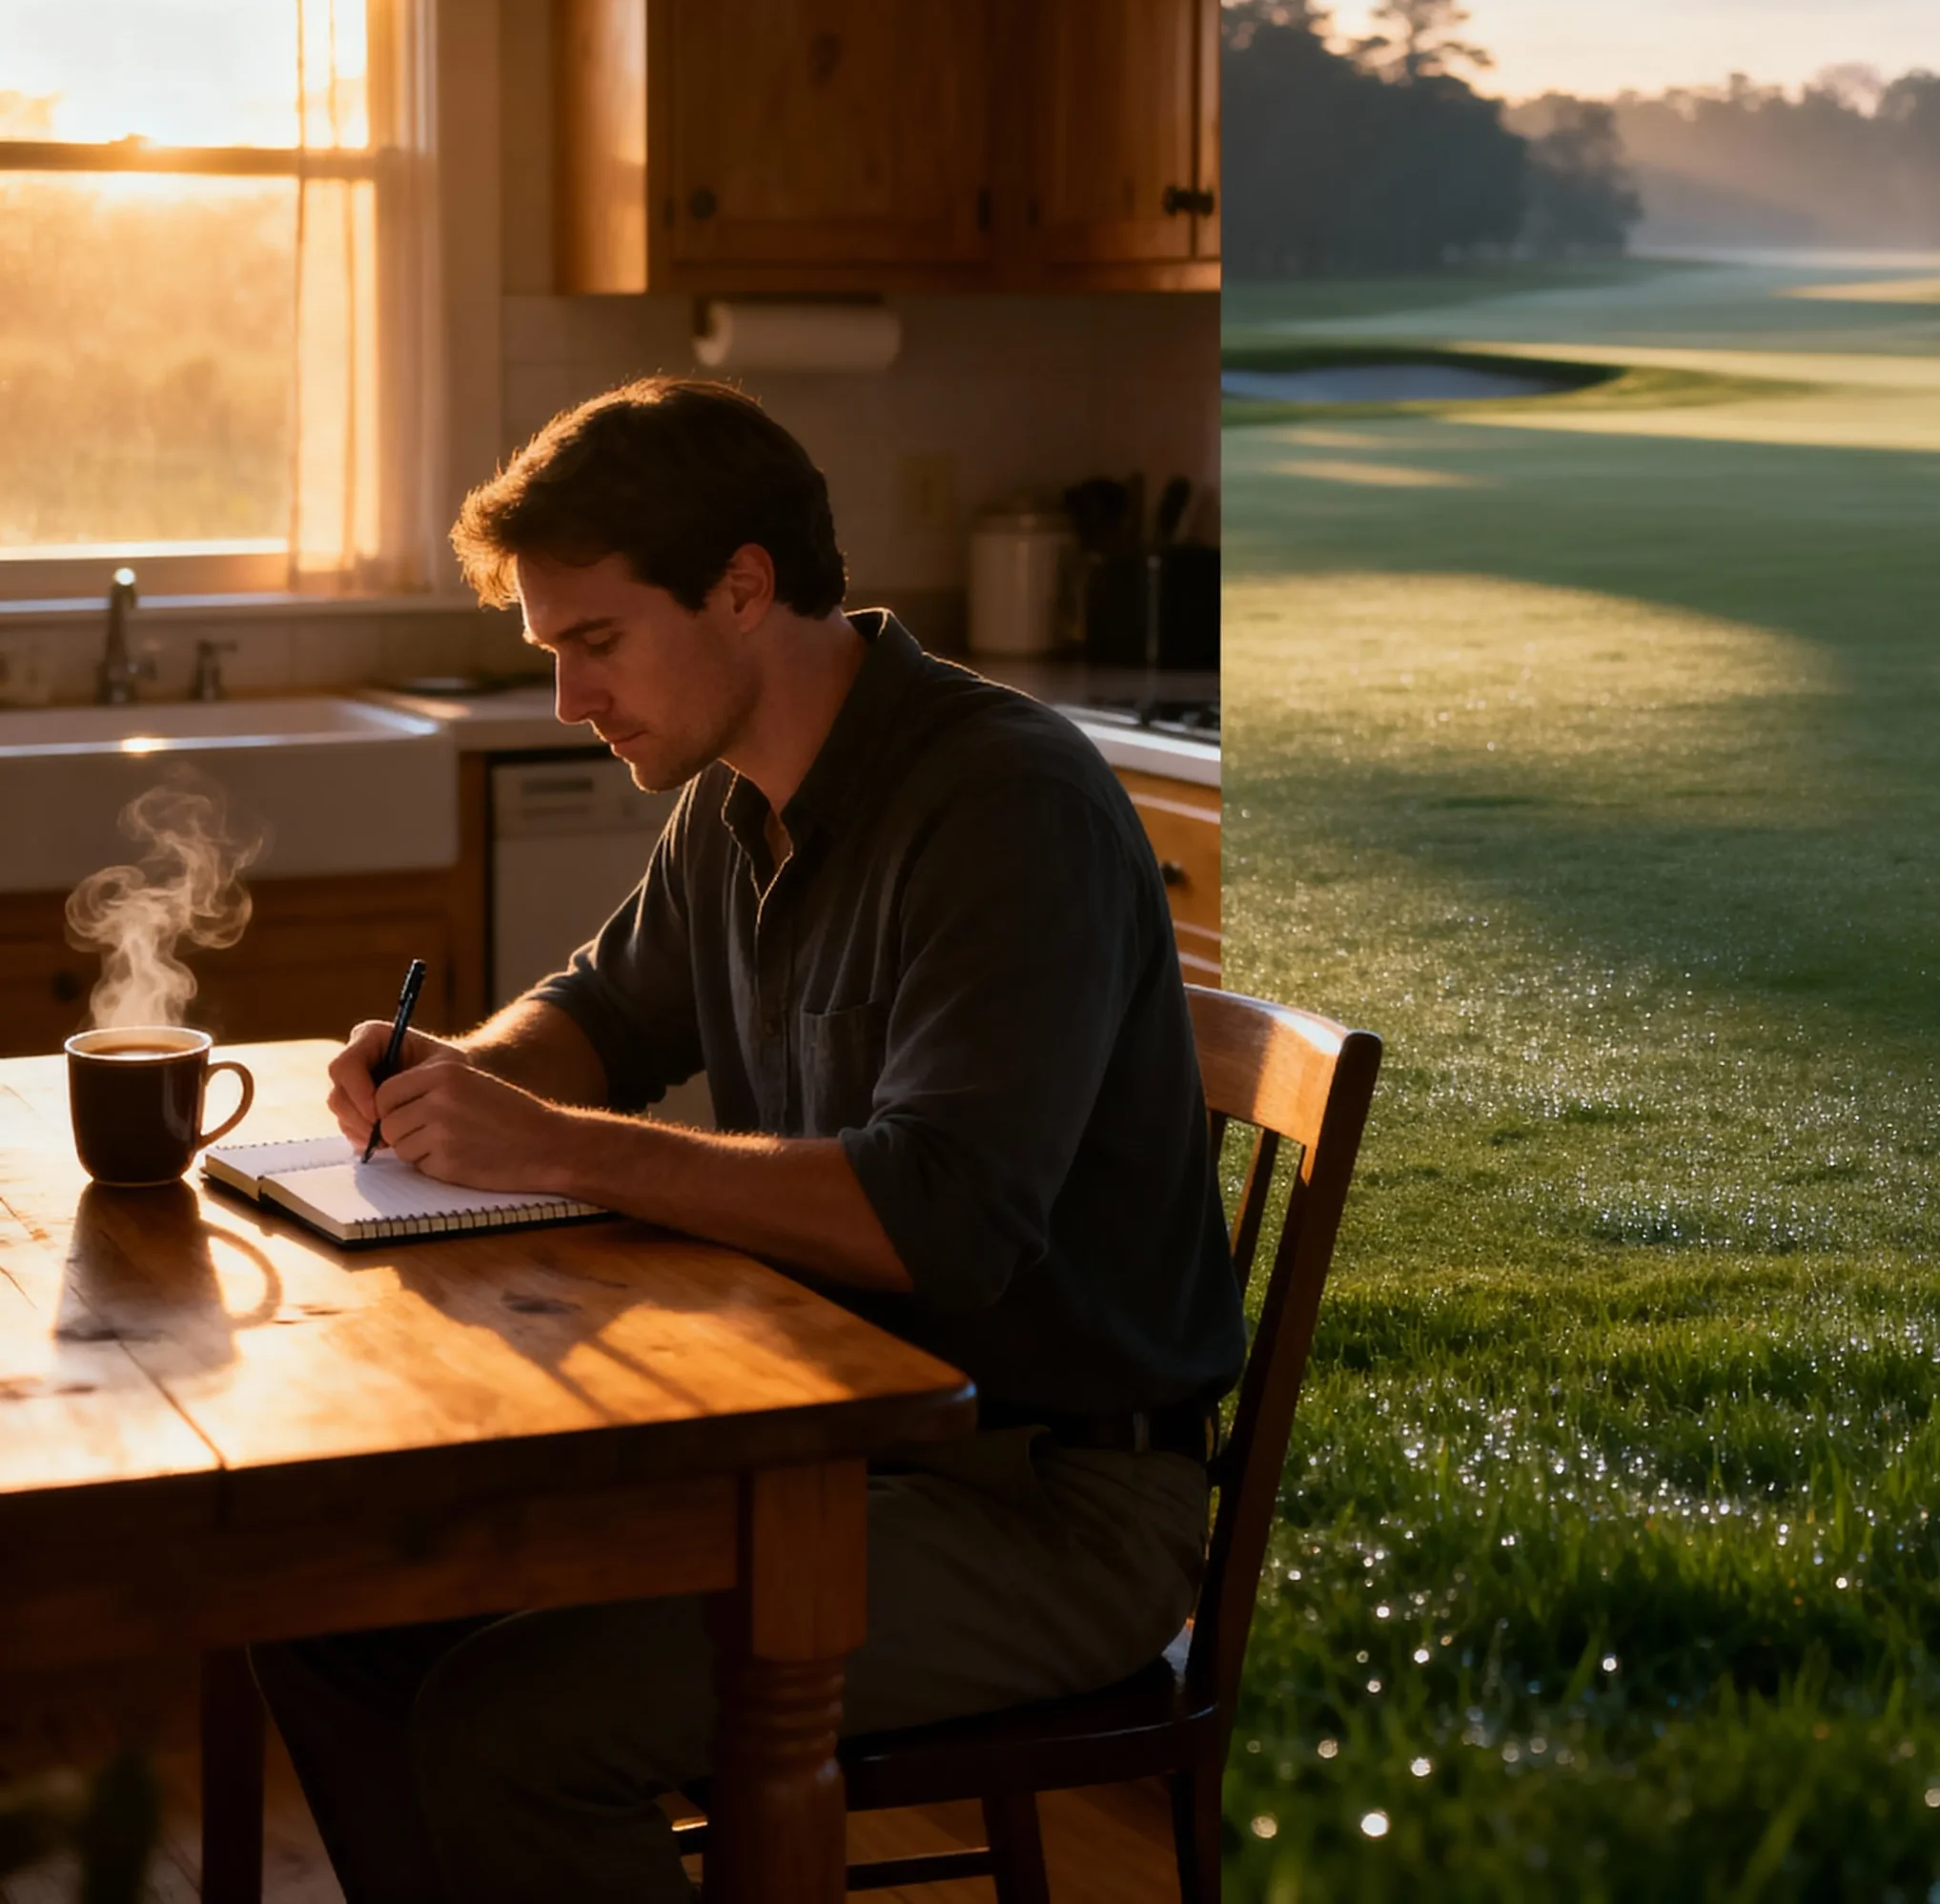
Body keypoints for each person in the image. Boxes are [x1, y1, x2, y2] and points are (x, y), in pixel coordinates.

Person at [251, 377, 1244, 1904]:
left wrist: (557, 1147)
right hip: (828, 1442)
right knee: (328, 1604)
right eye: (553, 653)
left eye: (597, 643)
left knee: (513, 1733)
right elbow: (601, 1014)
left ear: (743, 588)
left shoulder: (1005, 804)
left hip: (1049, 1503)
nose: (572, 702)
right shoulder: (733, 803)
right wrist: (459, 1077)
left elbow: (943, 1220)